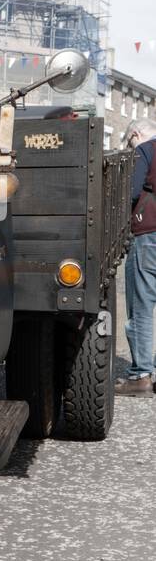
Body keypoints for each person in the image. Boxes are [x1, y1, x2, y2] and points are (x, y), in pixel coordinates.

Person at [118, 118, 156, 396]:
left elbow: (130, 192)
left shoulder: (145, 149)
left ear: (135, 134)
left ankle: (141, 375)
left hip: (150, 235)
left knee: (142, 304)